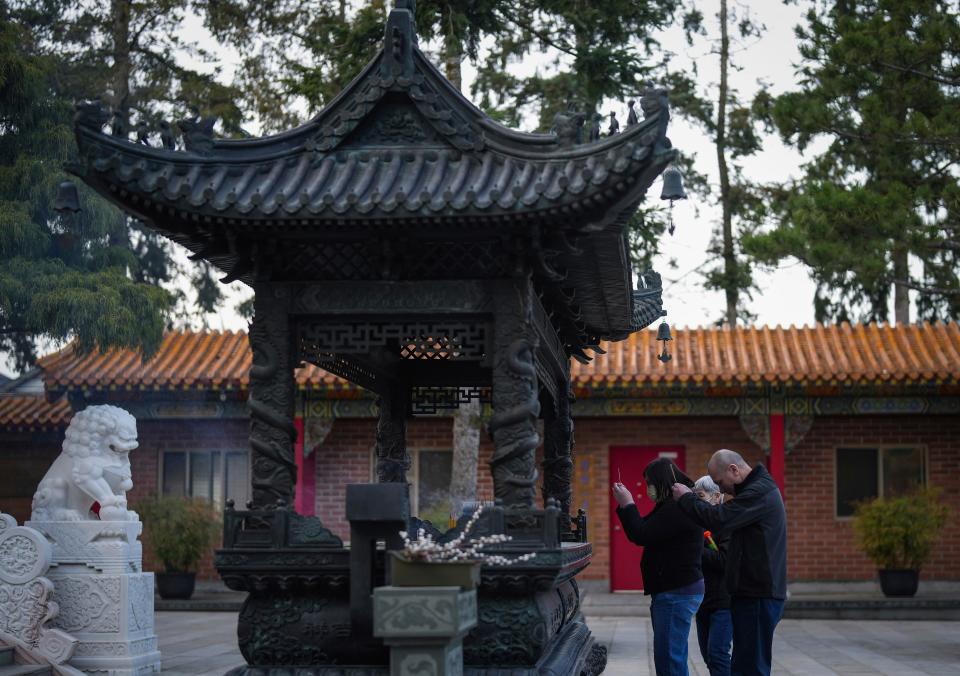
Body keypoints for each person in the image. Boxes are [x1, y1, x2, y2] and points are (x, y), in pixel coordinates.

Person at [671, 450, 787, 676]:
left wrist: (687, 498)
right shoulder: (755, 491)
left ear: (734, 469)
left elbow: (719, 519)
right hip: (749, 593)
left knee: (751, 667)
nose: (721, 489)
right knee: (743, 664)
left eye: (720, 482)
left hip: (759, 594)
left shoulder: (759, 492)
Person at [612, 458, 703, 675]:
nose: (647, 489)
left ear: (660, 481)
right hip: (675, 589)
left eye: (649, 483)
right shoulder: (671, 505)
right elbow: (643, 528)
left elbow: (641, 534)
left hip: (676, 590)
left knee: (669, 659)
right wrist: (628, 506)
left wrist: (628, 504)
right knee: (672, 654)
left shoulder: (678, 507)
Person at [693, 476, 732, 676]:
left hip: (724, 601)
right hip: (703, 600)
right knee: (708, 656)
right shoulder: (699, 524)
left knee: (717, 653)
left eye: (701, 496)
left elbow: (724, 561)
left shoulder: (727, 524)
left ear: (716, 497)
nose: (697, 502)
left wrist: (696, 548)